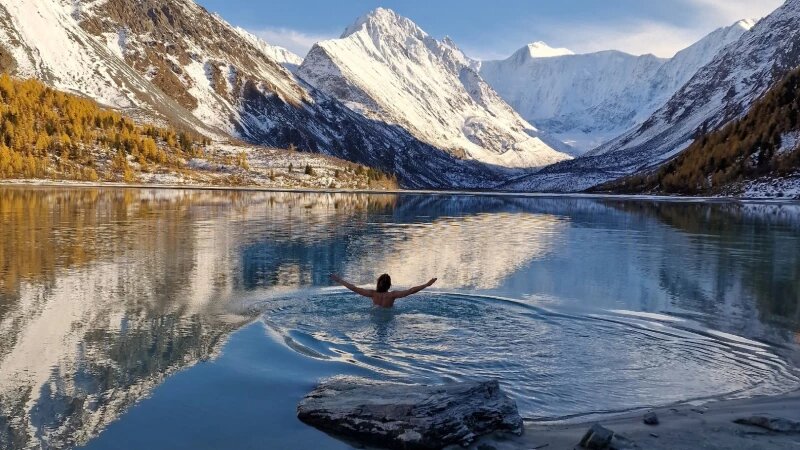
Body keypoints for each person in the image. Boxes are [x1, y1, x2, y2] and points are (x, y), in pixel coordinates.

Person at [329, 273, 437, 308]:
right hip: (388, 317)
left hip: (375, 315)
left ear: (378, 283)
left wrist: (339, 280)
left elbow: (354, 288)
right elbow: (411, 290)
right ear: (389, 285)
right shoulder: (392, 295)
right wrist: (427, 284)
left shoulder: (372, 294)